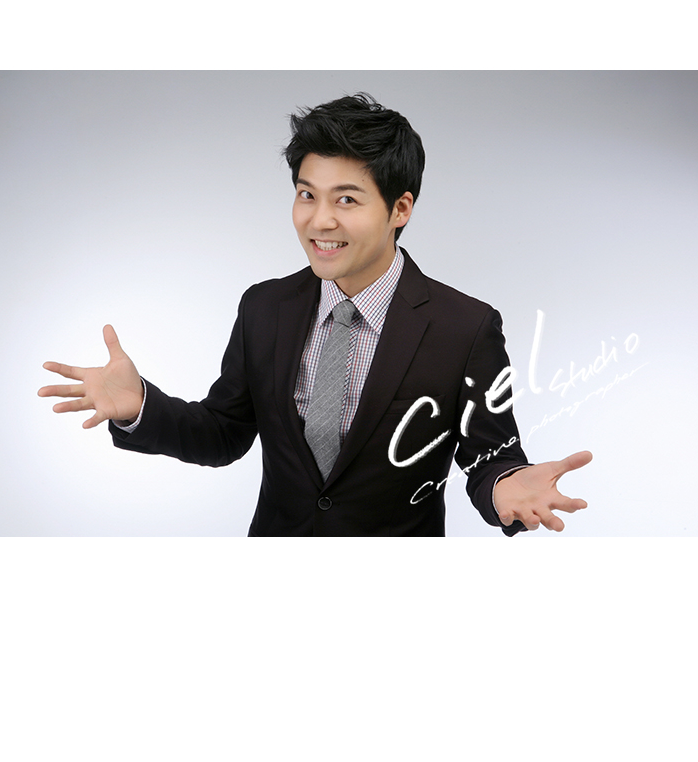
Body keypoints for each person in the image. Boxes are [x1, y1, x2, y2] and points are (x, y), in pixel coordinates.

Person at [38, 93, 591, 537]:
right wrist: (141, 407)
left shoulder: (464, 328)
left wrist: (503, 485)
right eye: (307, 195)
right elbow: (224, 433)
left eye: (346, 199)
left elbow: (491, 456)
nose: (319, 220)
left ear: (400, 208)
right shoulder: (265, 308)